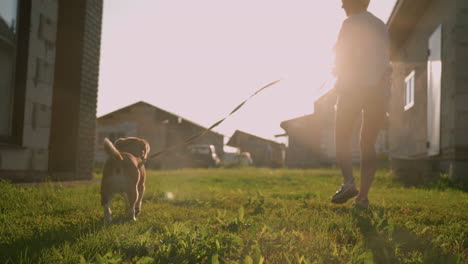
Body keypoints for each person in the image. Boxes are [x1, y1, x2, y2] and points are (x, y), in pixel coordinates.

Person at [331, 0, 391, 209]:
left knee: (342, 134)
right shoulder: (381, 25)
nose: (341, 7)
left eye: (343, 3)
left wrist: (336, 73)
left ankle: (348, 183)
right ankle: (363, 198)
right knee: (368, 143)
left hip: (353, 87)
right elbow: (382, 58)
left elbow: (343, 56)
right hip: (378, 91)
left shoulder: (349, 23)